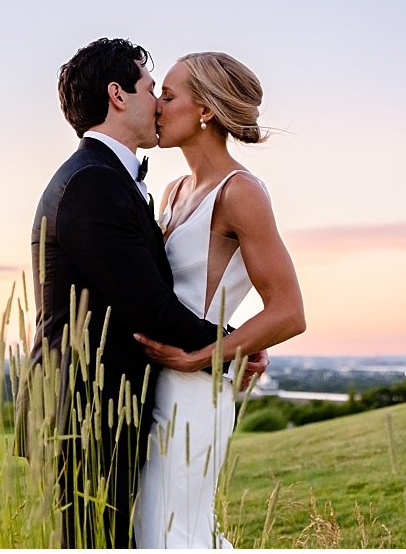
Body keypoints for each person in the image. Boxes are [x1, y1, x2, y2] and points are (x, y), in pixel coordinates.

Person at [18, 38, 265, 548]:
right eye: (152, 88)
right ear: (118, 95)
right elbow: (148, 306)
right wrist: (233, 344)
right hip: (86, 413)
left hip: (114, 408)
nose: (157, 101)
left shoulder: (110, 179)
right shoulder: (93, 183)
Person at [132, 51, 307, 548]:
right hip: (153, 385)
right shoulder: (172, 191)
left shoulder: (241, 192)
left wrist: (202, 356)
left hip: (194, 392)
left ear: (205, 109)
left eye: (167, 96)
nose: (157, 107)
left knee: (172, 534)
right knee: (160, 531)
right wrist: (241, 341)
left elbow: (289, 311)